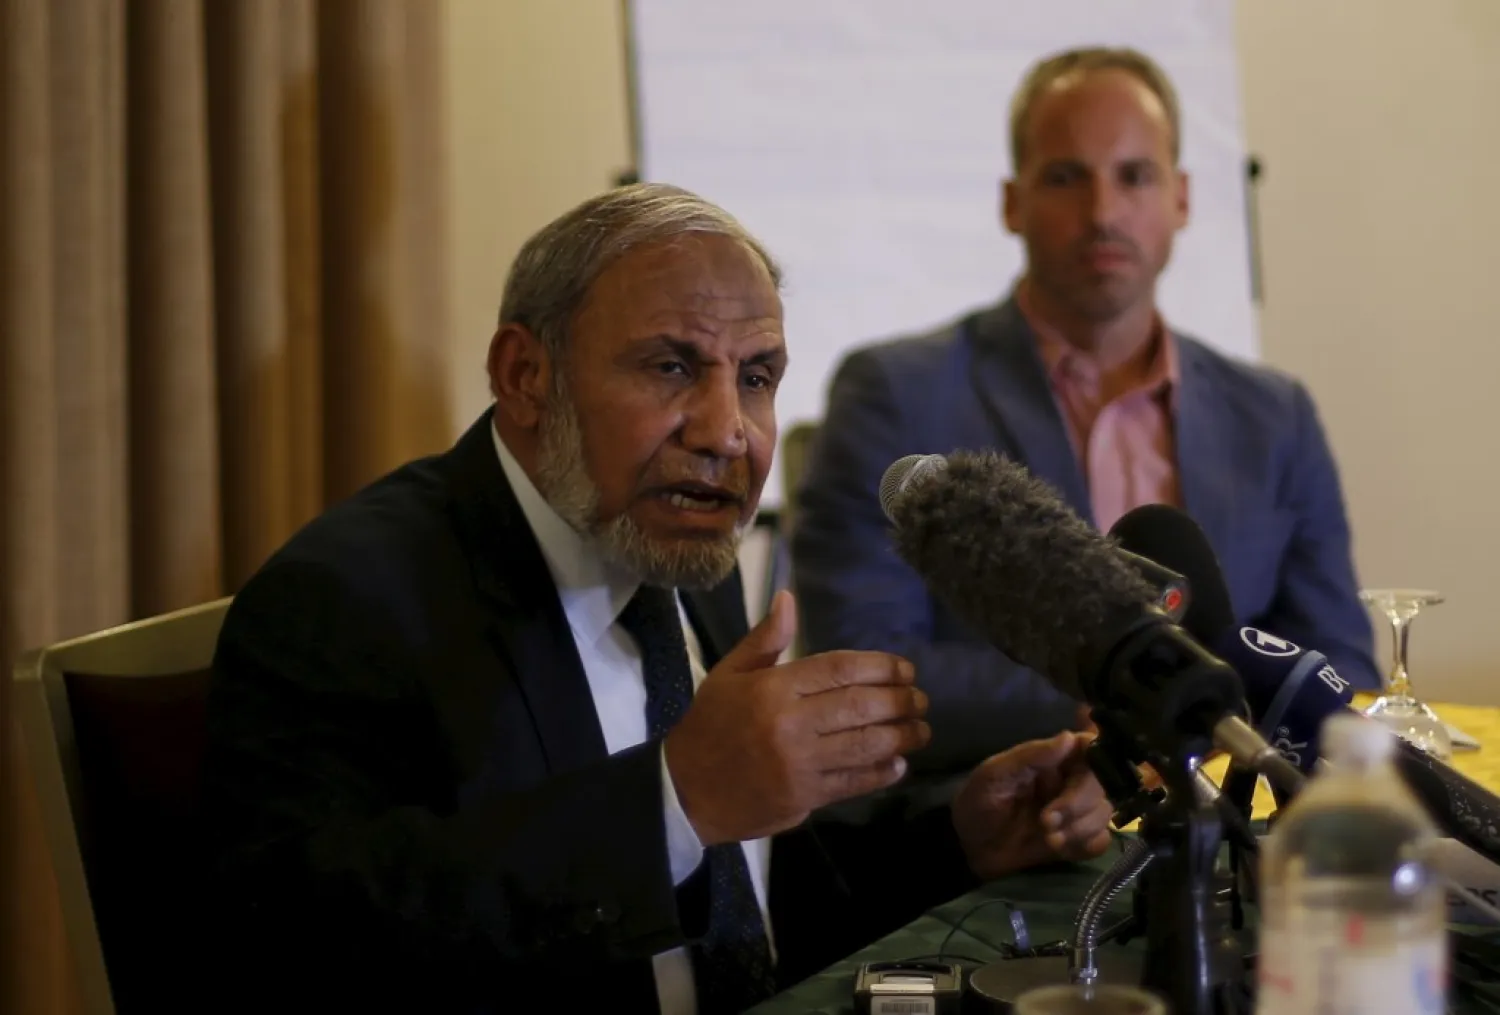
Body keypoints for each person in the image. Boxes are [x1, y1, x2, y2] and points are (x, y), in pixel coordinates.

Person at [198, 183, 1115, 1015]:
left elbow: (750, 886)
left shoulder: (672, 549)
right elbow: (306, 943)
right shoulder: (346, 601)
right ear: (526, 376)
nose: (727, 433)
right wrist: (675, 801)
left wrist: (957, 835)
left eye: (756, 377)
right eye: (671, 367)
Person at [791, 47, 1379, 775]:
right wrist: (1138, 696)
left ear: (1183, 197)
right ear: (1012, 202)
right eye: (1066, 177)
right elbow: (867, 664)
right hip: (997, 833)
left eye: (1135, 176)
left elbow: (1341, 662)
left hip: (1231, 826)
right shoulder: (893, 392)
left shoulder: (1276, 416)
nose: (1103, 212)